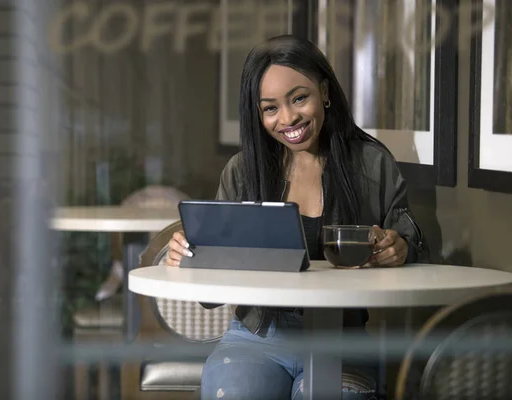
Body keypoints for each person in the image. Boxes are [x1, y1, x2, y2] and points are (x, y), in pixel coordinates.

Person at [165, 35, 429, 400]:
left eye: (299, 98)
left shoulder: (371, 164)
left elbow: (412, 245)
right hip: (256, 337)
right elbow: (212, 286)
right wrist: (189, 254)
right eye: (270, 108)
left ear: (324, 91)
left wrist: (400, 248)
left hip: (343, 340)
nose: (288, 118)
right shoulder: (243, 171)